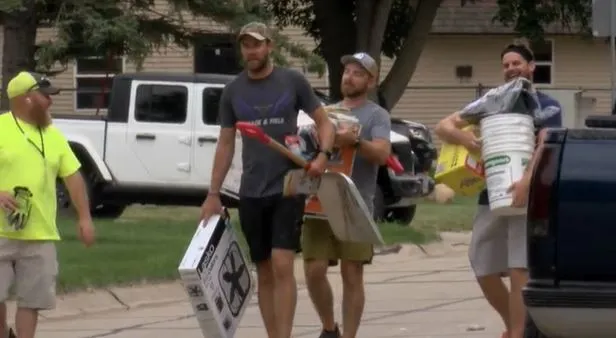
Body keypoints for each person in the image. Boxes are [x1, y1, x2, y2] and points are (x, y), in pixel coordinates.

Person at [199, 22, 336, 338]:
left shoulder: (292, 81)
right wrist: (213, 193)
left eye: (257, 45)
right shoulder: (233, 91)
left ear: (270, 46)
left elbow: (324, 123)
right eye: (246, 45)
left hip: (289, 184)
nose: (252, 51)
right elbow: (226, 143)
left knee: (282, 263)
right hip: (251, 190)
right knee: (264, 269)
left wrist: (322, 156)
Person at [434, 42, 562, 338]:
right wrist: (464, 139)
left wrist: (527, 183)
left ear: (531, 67)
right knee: (481, 263)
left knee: (519, 266)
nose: (511, 69)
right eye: (506, 65)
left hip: (526, 193)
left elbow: (546, 146)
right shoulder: (491, 101)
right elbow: (443, 126)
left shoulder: (548, 105)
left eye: (517, 63)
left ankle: (518, 333)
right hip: (490, 192)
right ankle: (515, 324)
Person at [302, 52, 392, 338]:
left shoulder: (377, 115)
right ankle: (330, 328)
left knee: (352, 273)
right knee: (313, 270)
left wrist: (354, 141)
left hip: (355, 202)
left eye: (357, 73)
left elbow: (382, 154)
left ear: (370, 80)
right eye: (347, 71)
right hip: (319, 201)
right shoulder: (326, 114)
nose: (349, 77)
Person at [0, 71, 95, 338]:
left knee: (31, 301)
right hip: (0, 233)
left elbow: (73, 177)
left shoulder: (53, 136)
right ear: (27, 99)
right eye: (45, 96)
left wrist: (84, 218)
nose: (50, 102)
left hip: (40, 234)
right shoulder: (1, 128)